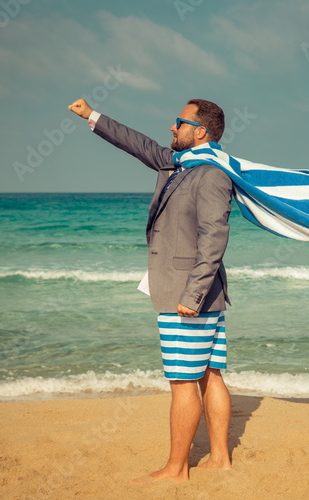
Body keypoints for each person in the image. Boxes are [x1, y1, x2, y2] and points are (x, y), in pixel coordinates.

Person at [68, 97, 234, 482]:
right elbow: (137, 144)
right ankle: (221, 459)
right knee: (210, 374)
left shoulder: (210, 174)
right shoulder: (179, 163)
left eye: (180, 122)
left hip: (188, 295)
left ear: (201, 131)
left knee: (182, 381)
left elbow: (214, 239)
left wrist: (190, 298)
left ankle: (177, 470)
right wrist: (92, 116)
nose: (172, 128)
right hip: (201, 292)